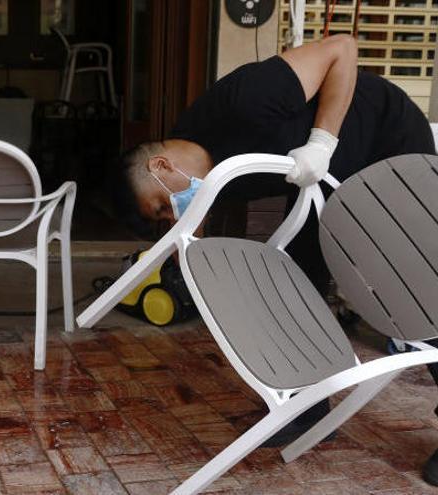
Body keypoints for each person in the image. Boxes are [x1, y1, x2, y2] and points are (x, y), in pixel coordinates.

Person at [118, 34, 438, 482]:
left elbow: (342, 49)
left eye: (160, 207)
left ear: (162, 168)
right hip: (314, 182)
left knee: (414, 285)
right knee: (299, 275)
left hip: (385, 139)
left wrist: (322, 141)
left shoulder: (242, 102)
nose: (170, 216)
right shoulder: (206, 175)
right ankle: (307, 406)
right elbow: (210, 228)